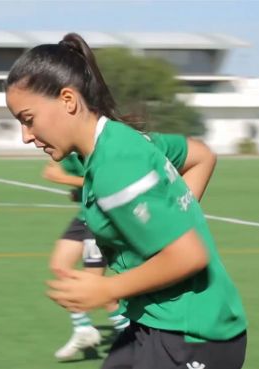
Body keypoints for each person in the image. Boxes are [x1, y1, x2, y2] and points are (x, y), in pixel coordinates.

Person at [5, 32, 247, 369]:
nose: (26, 136)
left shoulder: (114, 167)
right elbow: (202, 155)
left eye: (28, 120)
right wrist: (171, 219)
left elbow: (189, 255)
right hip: (154, 323)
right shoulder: (123, 141)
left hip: (192, 334)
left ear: (68, 100)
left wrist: (107, 289)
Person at [44, 132, 217, 361]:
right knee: (60, 265)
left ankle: (128, 329)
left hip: (112, 217)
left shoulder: (113, 145)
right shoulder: (65, 147)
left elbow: (106, 180)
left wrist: (65, 180)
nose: (30, 135)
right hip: (87, 216)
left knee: (102, 287)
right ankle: (84, 328)